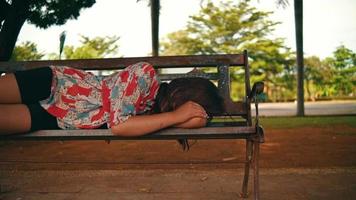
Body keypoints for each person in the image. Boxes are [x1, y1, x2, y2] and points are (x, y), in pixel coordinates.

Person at [0, 62, 225, 136]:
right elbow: (119, 125)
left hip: (62, 119)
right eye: (200, 109)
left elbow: (197, 122)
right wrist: (176, 115)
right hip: (56, 85)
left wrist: (181, 117)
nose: (201, 117)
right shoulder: (145, 75)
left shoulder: (154, 115)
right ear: (186, 97)